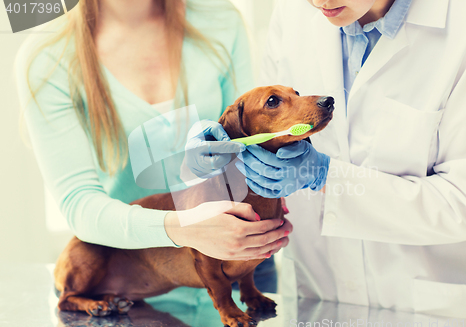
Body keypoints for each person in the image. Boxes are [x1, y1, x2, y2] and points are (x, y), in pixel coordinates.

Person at [186, 0, 466, 320]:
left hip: (433, 309)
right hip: (318, 297)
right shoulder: (293, 13)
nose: (320, 1)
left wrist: (325, 176)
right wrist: (225, 158)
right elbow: (271, 130)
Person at [15, 0, 293, 293]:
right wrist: (183, 228)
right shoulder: (47, 57)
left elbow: (249, 144)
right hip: (128, 283)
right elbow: (79, 205)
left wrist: (277, 177)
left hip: (241, 264)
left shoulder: (220, 19)